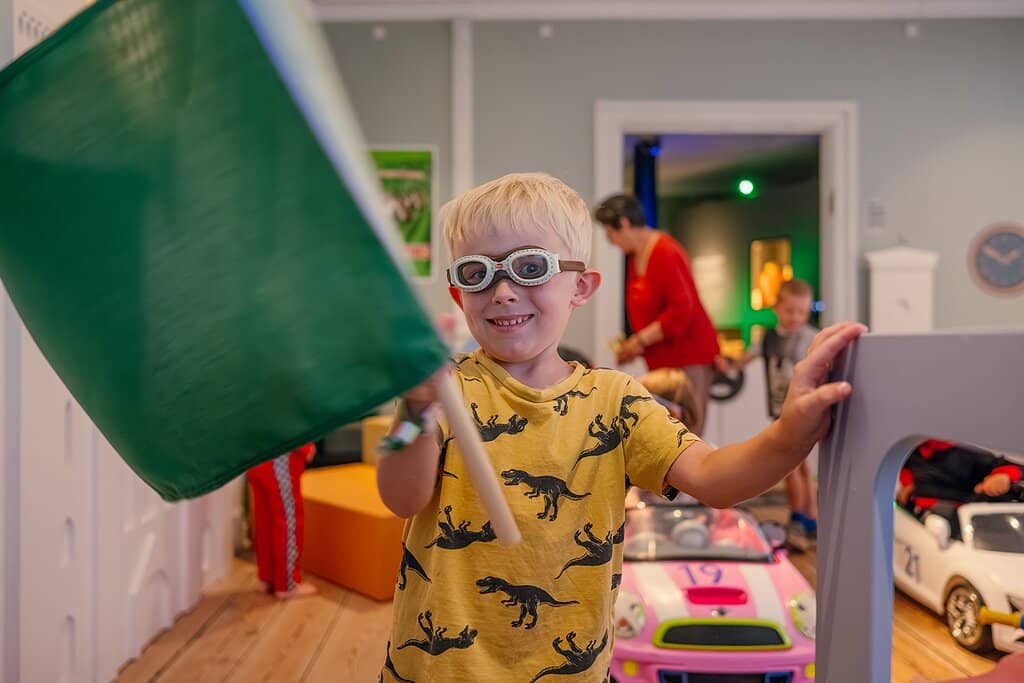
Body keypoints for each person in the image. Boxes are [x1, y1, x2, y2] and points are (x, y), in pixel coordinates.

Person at [376, 172, 865, 682]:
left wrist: (789, 434)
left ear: (581, 286)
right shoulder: (444, 388)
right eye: (477, 273)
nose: (502, 292)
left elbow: (715, 478)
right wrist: (414, 411)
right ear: (458, 295)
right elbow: (400, 497)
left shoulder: (615, 401)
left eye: (529, 267)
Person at [593, 194, 719, 437]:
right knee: (667, 433)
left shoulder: (665, 251)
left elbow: (681, 309)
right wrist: (636, 345)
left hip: (687, 355)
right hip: (664, 358)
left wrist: (639, 341)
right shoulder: (636, 256)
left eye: (610, 234)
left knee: (687, 432)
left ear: (624, 224)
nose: (612, 242)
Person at [727, 278, 820, 545]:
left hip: (803, 408)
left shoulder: (811, 338)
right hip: (781, 408)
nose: (796, 318)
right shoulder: (768, 338)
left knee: (793, 465)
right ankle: (807, 517)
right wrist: (728, 365)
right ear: (777, 307)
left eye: (802, 312)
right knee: (799, 465)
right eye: (790, 311)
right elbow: (745, 359)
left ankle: (801, 517)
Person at [897, 439, 1021, 536]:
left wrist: (1004, 475)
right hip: (921, 519)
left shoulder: (965, 452)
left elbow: (1011, 467)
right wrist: (911, 485)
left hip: (961, 523)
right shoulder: (914, 450)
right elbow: (907, 467)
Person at [246, 443, 318, 599]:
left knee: (265, 520)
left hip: (256, 456)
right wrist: (306, 447)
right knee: (288, 521)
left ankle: (267, 577)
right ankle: (286, 584)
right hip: (279, 459)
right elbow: (286, 427)